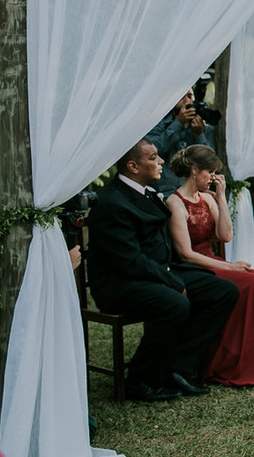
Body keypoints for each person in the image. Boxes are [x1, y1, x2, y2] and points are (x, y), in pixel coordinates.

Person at [87, 140, 238, 401]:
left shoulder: (147, 192)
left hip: (157, 272)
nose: (160, 162)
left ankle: (177, 368)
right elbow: (130, 261)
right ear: (133, 166)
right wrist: (171, 280)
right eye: (154, 158)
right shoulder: (113, 203)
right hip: (120, 283)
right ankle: (140, 380)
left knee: (223, 291)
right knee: (175, 304)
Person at [166, 145, 254, 387]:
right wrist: (230, 268)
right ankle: (232, 362)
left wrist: (220, 197)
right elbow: (185, 254)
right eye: (210, 172)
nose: (213, 177)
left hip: (216, 262)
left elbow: (226, 236)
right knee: (252, 285)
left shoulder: (207, 198)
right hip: (193, 268)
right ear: (194, 170)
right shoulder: (174, 203)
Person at [146, 89, 216, 196]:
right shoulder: (158, 124)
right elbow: (152, 151)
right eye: (182, 96)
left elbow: (209, 162)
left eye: (190, 96)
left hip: (195, 193)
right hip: (164, 192)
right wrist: (177, 124)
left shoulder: (205, 129)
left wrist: (199, 134)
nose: (187, 101)